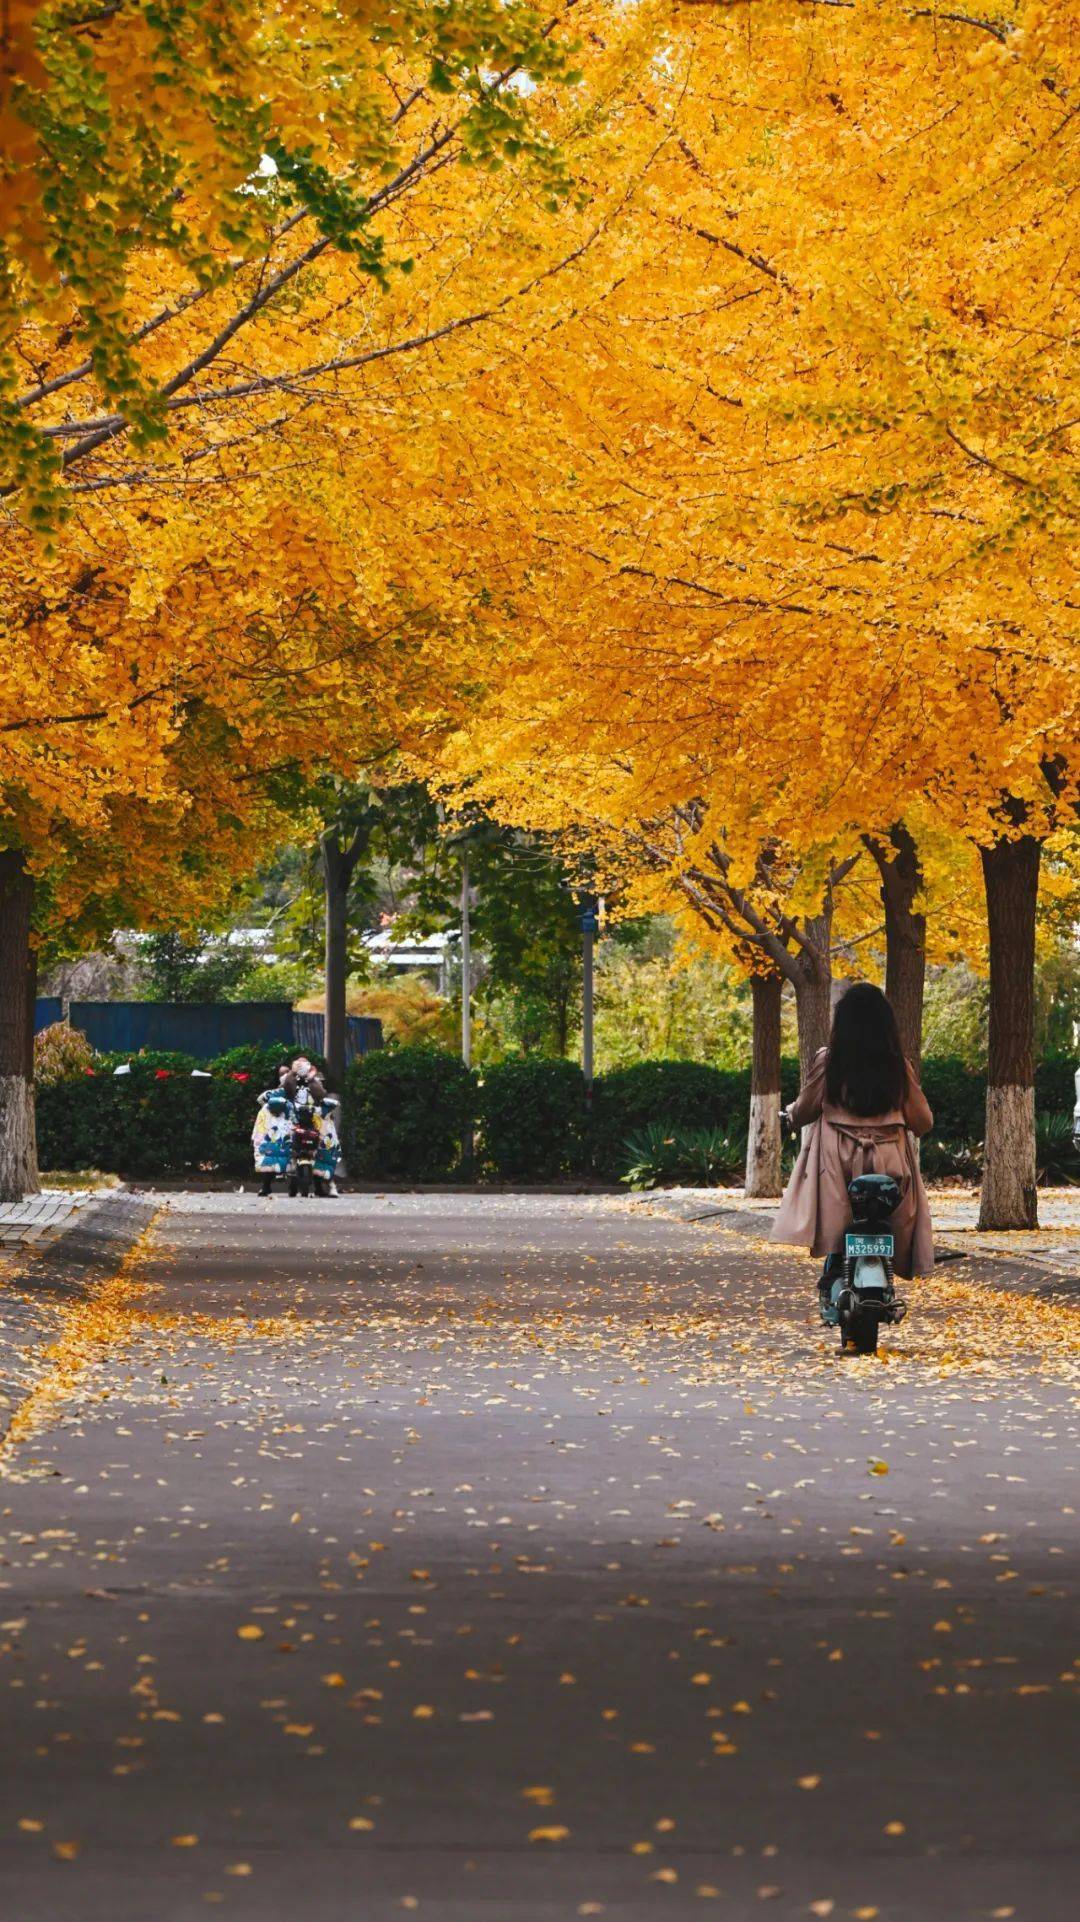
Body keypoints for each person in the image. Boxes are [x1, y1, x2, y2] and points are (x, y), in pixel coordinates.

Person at [770, 982, 934, 1296]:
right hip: (890, 1164)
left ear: (841, 1024)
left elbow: (805, 1109)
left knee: (837, 1221)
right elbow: (923, 1121)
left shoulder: (829, 1061)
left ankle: (834, 1270)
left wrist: (789, 1115)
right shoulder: (898, 1067)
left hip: (837, 1164)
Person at [252, 1063, 294, 1197]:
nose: (285, 1076)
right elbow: (260, 1099)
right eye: (282, 1074)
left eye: (287, 1072)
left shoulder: (298, 1093)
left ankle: (273, 1186)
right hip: (272, 1127)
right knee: (270, 1155)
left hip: (288, 1125)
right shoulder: (272, 1094)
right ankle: (266, 1186)